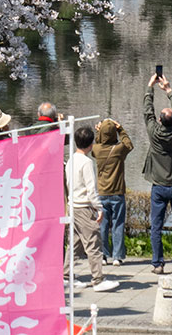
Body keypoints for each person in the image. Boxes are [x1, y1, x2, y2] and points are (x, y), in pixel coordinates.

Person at [142, 73, 172, 274]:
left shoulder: (154, 132)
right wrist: (168, 90)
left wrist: (150, 88)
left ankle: (158, 263)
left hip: (159, 185)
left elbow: (147, 112)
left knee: (156, 225)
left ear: (160, 121)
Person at [68, 125, 118, 291]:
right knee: (94, 244)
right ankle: (98, 279)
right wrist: (99, 208)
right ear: (91, 144)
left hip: (73, 206)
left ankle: (66, 275)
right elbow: (91, 189)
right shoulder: (87, 163)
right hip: (84, 206)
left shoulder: (70, 159)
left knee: (76, 244)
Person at [93, 117, 134, 266]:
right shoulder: (118, 150)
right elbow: (129, 144)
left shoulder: (97, 150)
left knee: (102, 225)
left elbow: (97, 144)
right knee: (118, 224)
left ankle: (103, 255)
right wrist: (120, 129)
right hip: (117, 192)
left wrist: (99, 133)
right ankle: (117, 256)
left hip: (102, 193)